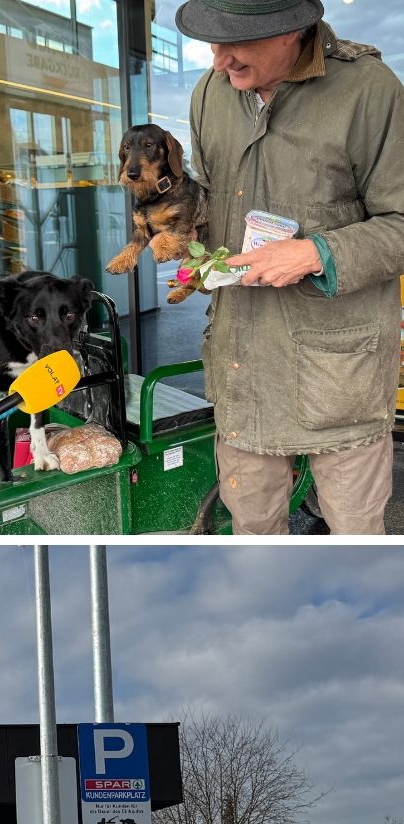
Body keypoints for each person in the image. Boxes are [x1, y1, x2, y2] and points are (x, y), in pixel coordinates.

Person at [175, 0, 404, 535]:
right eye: (213, 40)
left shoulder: (369, 91)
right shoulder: (210, 93)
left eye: (237, 40)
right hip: (243, 369)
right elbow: (208, 203)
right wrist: (181, 228)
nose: (219, 60)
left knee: (355, 546)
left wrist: (316, 254)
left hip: (339, 380)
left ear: (294, 31)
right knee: (252, 541)